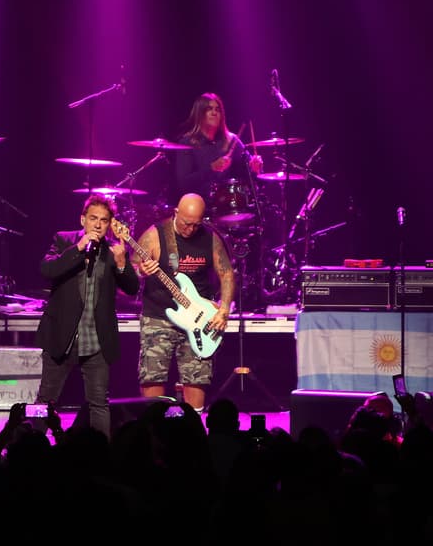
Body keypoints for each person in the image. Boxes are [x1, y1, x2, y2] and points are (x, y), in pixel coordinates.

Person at [34, 193, 139, 438]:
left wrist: (123, 264)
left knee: (99, 403)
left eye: (104, 220)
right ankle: (32, 446)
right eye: (93, 218)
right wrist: (77, 249)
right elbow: (46, 269)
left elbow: (133, 289)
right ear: (83, 220)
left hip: (96, 342)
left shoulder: (113, 251)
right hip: (62, 336)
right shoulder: (64, 240)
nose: (98, 224)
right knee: (46, 399)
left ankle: (100, 456)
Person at [134, 192, 235, 414]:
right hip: (159, 316)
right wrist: (141, 270)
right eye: (186, 223)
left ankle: (194, 431)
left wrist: (224, 309)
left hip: (199, 318)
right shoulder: (155, 235)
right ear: (176, 213)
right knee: (152, 375)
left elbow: (227, 273)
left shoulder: (209, 238)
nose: (190, 229)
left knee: (197, 377)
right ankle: (153, 429)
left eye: (196, 225)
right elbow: (131, 270)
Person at [172, 91, 262, 212]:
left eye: (218, 109)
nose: (214, 113)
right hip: (199, 210)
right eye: (209, 109)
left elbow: (252, 175)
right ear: (200, 114)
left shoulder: (231, 140)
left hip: (229, 208)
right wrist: (211, 168)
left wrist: (255, 168)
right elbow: (183, 184)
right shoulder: (187, 143)